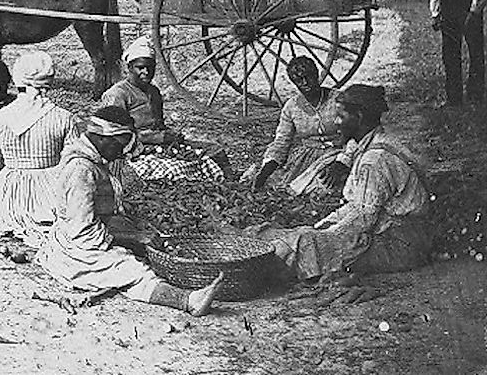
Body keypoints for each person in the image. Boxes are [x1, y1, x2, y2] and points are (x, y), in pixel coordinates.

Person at [37, 106, 223, 315]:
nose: (122, 152)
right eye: (120, 144)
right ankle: (186, 301)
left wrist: (133, 228)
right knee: (132, 269)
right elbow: (83, 229)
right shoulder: (81, 170)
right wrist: (134, 237)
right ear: (102, 138)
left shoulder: (94, 161)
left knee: (147, 246)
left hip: (92, 229)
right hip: (76, 245)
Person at [265, 84, 431, 281]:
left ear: (359, 117)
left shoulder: (375, 160)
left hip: (401, 244)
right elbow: (357, 207)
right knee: (309, 237)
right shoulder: (375, 142)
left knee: (308, 244)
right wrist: (323, 225)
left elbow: (362, 219)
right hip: (398, 233)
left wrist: (324, 237)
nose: (335, 123)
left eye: (341, 116)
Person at [100, 37, 229, 181]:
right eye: (140, 67)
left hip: (160, 143)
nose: (146, 72)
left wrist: (169, 134)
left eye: (150, 67)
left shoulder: (154, 92)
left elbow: (159, 124)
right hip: (134, 149)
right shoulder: (117, 94)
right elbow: (114, 135)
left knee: (215, 150)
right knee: (175, 169)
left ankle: (233, 182)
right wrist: (154, 138)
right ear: (129, 68)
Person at [0, 51, 78, 237]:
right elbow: (73, 167)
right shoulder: (64, 118)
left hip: (7, 205)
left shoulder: (0, 119)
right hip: (51, 200)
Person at [245, 57, 349, 194]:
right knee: (290, 184)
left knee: (334, 185)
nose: (305, 83)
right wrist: (264, 172)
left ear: (316, 75)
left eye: (308, 77)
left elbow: (356, 134)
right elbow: (282, 141)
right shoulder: (292, 107)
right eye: (299, 80)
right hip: (308, 158)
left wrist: (343, 161)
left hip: (340, 152)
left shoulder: (339, 99)